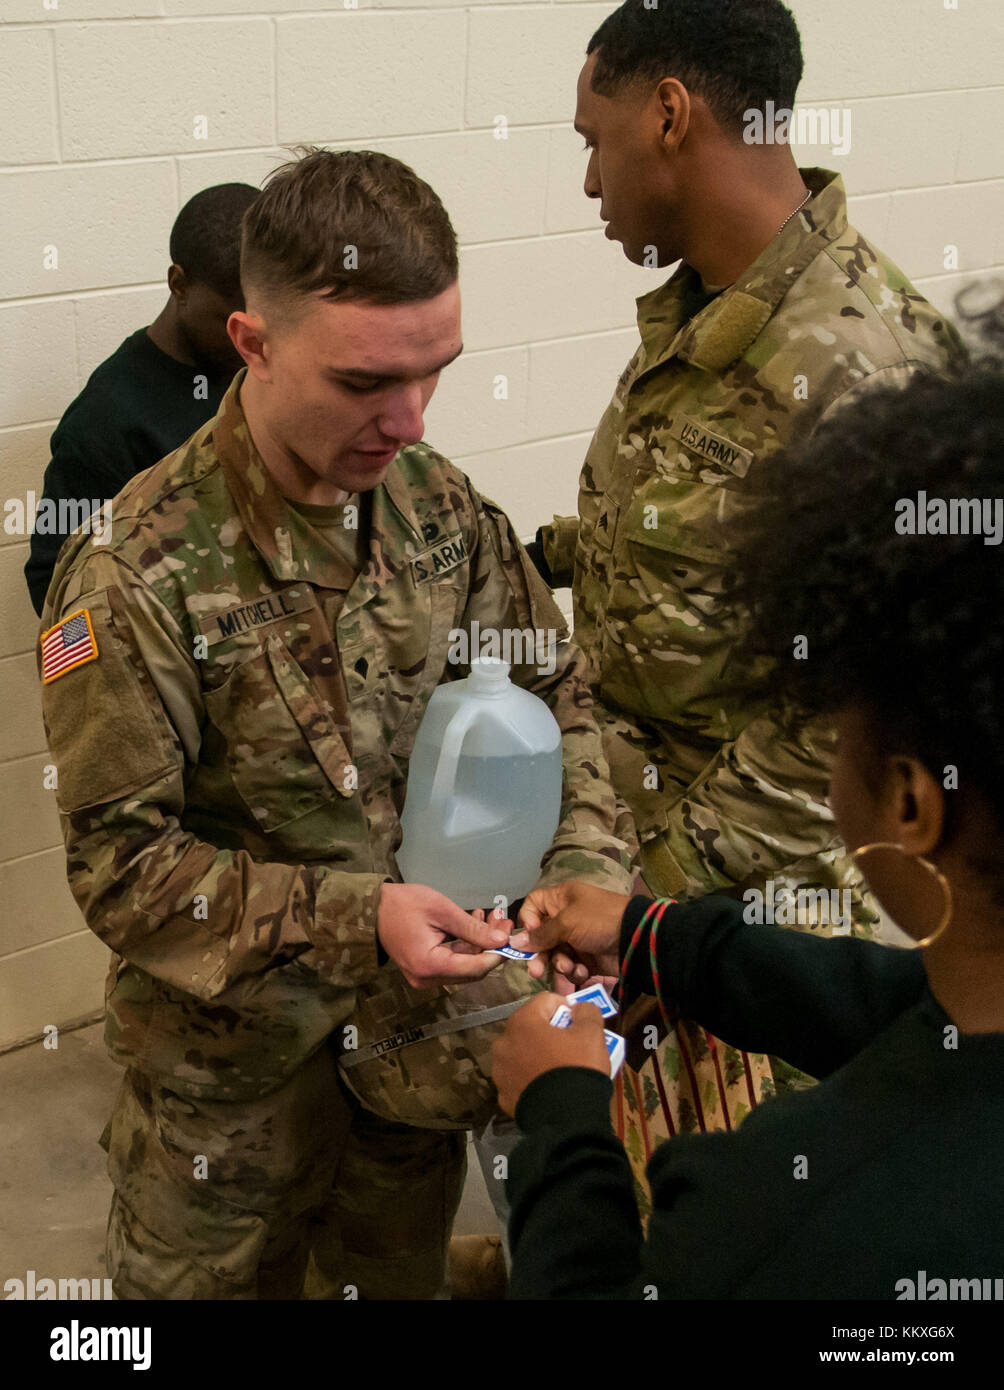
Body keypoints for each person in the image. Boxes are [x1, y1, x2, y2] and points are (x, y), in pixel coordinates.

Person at [36, 147, 633, 1300]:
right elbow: (120, 867)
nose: (407, 421)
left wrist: (582, 874)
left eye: (435, 372)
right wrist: (364, 915)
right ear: (252, 345)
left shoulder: (441, 509)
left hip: (416, 1059)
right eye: (365, 383)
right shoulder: (134, 575)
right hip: (233, 1093)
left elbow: (557, 694)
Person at [524, 0, 968, 1111]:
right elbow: (690, 542)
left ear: (668, 115)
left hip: (754, 904)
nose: (587, 182)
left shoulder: (862, 365)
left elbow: (849, 707)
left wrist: (650, 898)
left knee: (729, 1216)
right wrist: (531, 558)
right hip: (641, 853)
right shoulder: (707, 316)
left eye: (591, 138)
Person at [493, 366, 1004, 1298]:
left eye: (838, 726)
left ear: (914, 805)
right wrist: (657, 940)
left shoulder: (780, 1226)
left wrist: (563, 1118)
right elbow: (901, 1010)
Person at [24, 182, 259, 616]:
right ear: (179, 284)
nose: (247, 341)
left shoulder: (260, 367)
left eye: (262, 319)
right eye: (228, 319)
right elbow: (51, 583)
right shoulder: (105, 420)